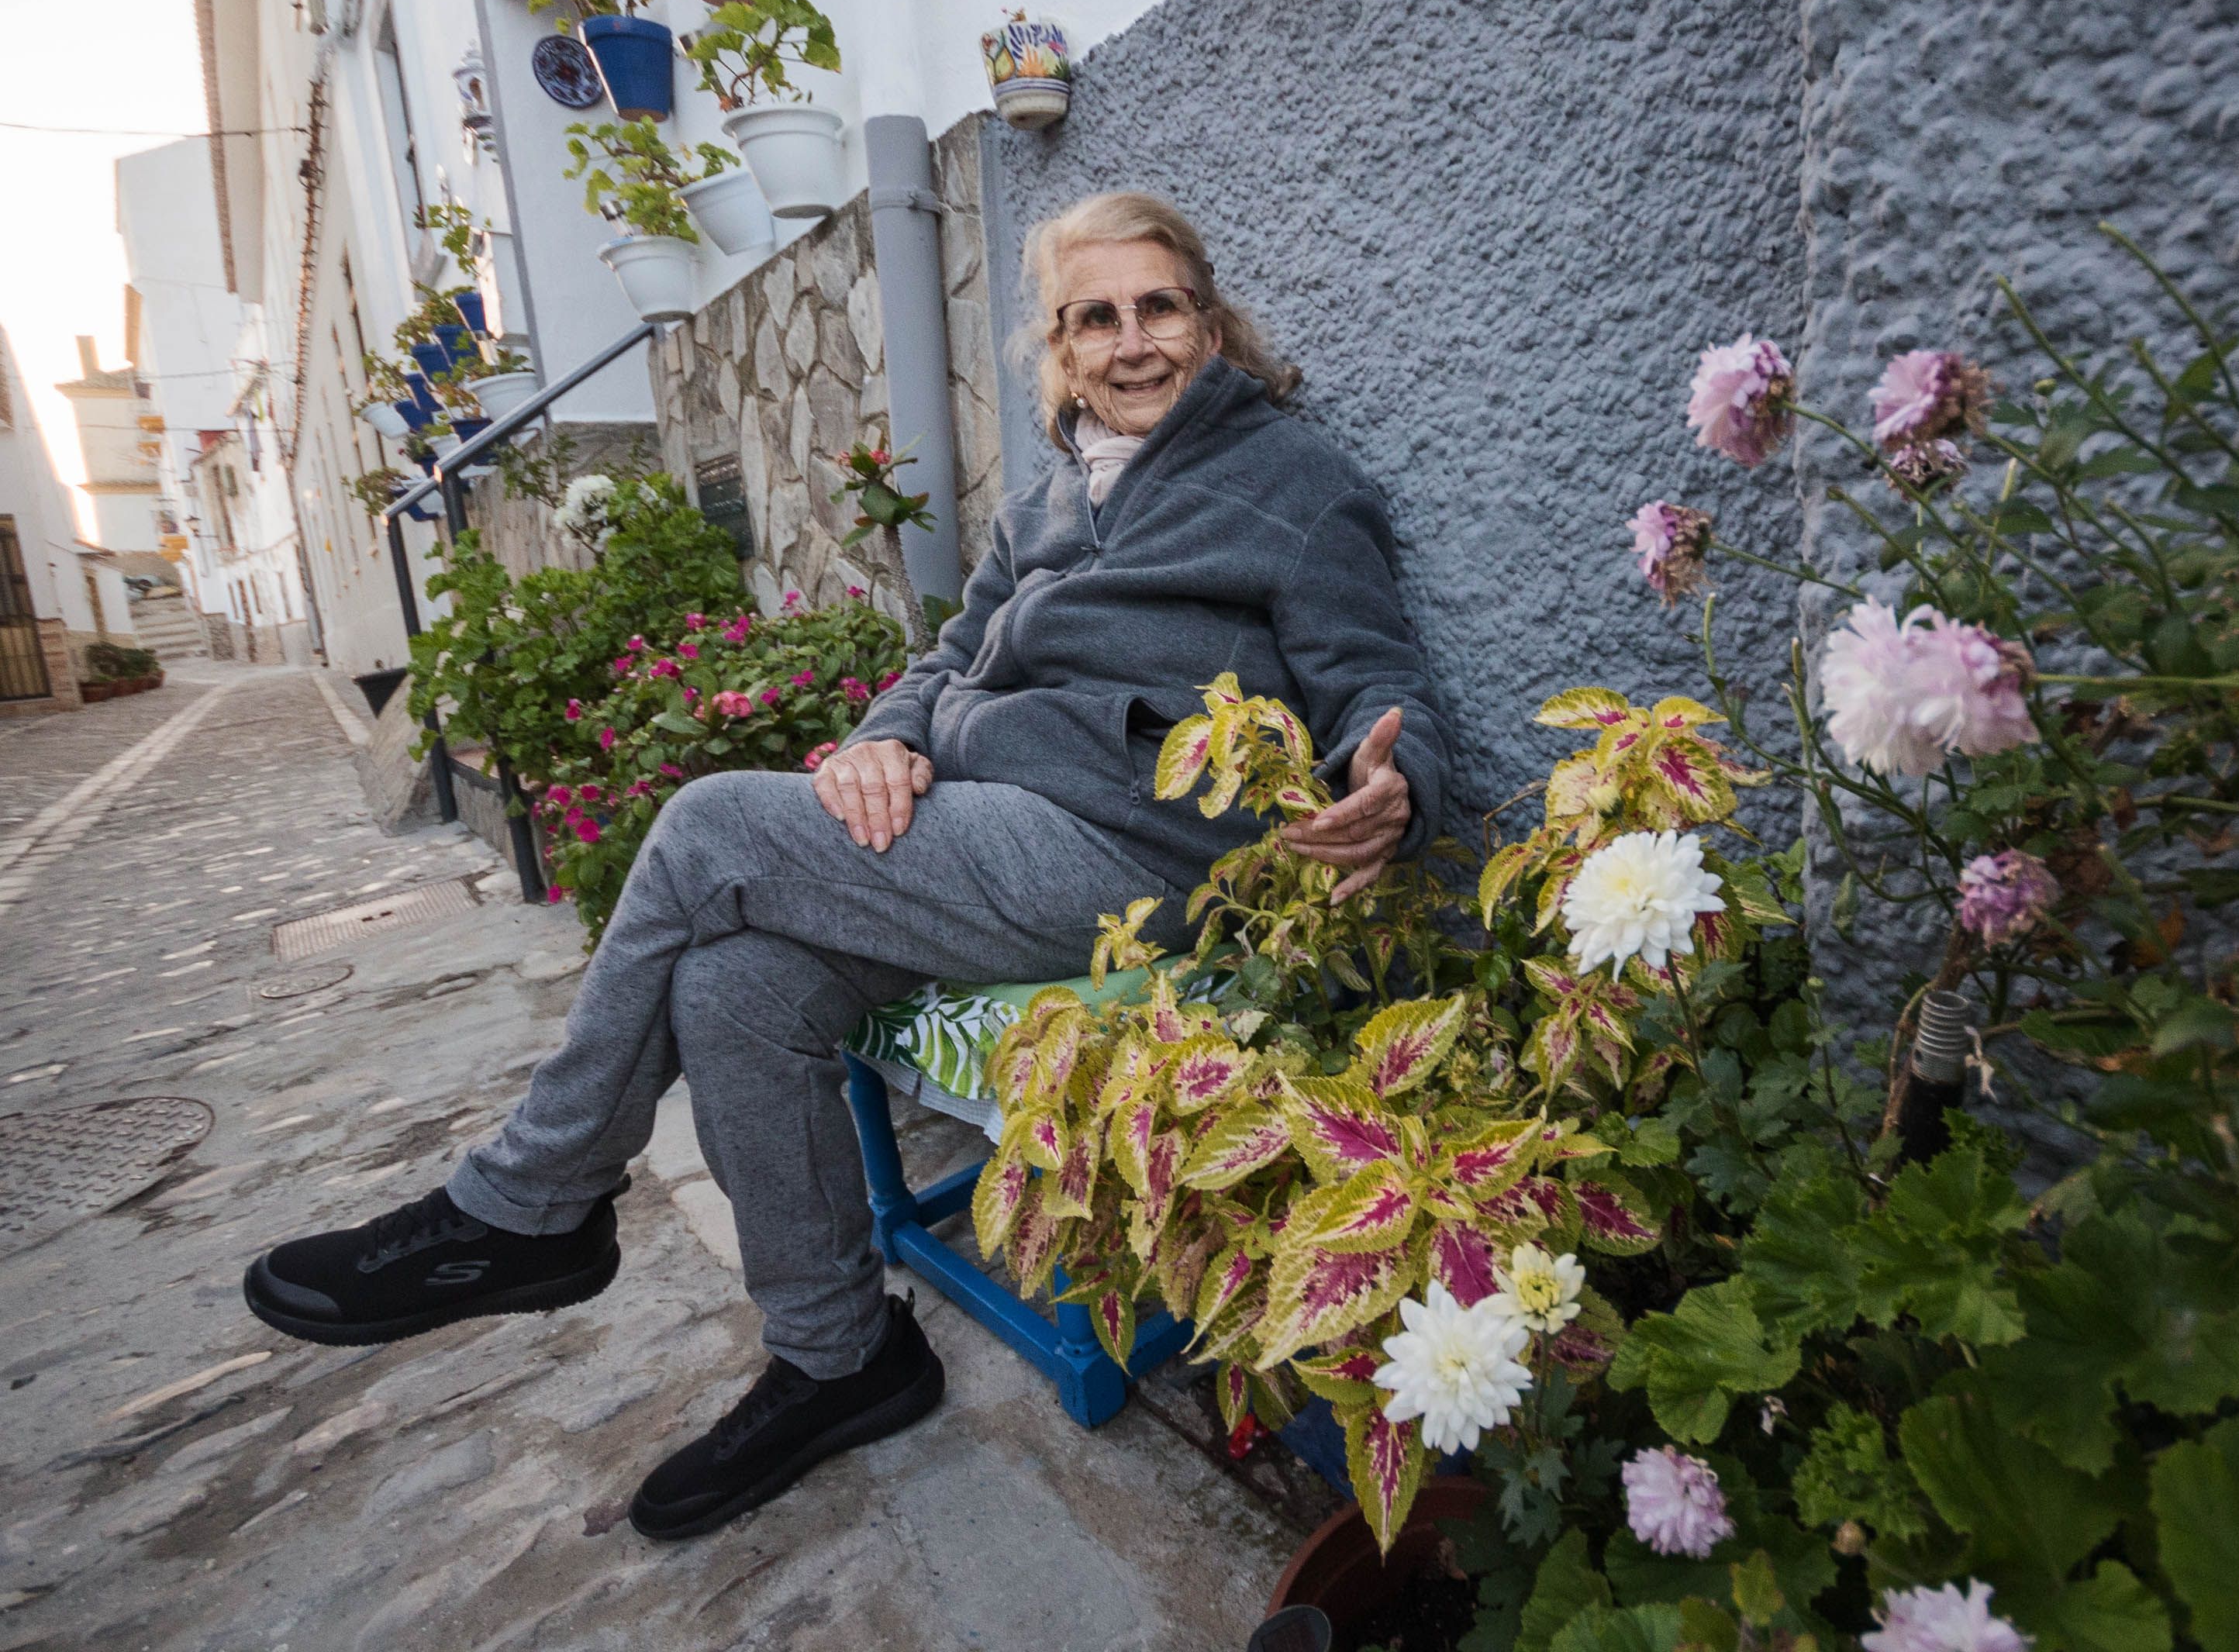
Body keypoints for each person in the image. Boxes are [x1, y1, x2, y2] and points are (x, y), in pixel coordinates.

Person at [240, 191, 1451, 1540]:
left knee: (709, 826)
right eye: (1093, 317)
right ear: (1058, 349)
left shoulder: (1294, 485)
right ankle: (839, 1355)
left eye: (1158, 307)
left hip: (1138, 850)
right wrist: (883, 741)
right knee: (743, 983)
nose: (1131, 341)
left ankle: (529, 1203)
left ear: (1210, 324)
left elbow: (1379, 687)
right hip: (989, 832)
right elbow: (947, 661)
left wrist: (1388, 793)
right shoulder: (1054, 494)